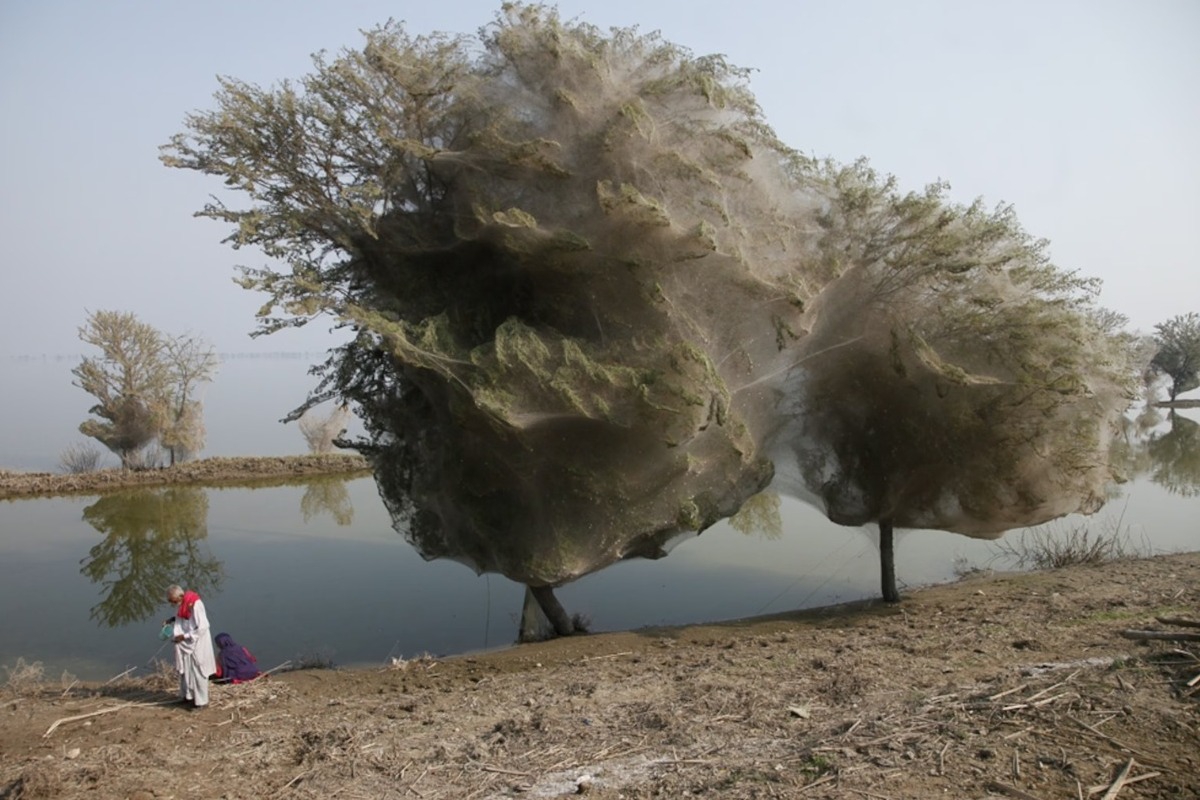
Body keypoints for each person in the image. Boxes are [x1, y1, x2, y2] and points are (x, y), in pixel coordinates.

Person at [165, 584, 216, 709]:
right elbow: (183, 618)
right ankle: (188, 696)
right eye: (171, 602)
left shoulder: (195, 604)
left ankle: (201, 702)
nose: (173, 604)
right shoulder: (182, 604)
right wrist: (171, 620)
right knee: (186, 671)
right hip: (186, 646)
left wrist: (185, 636)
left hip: (197, 644)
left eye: (174, 601)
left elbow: (203, 626)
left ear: (180, 596)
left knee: (198, 672)